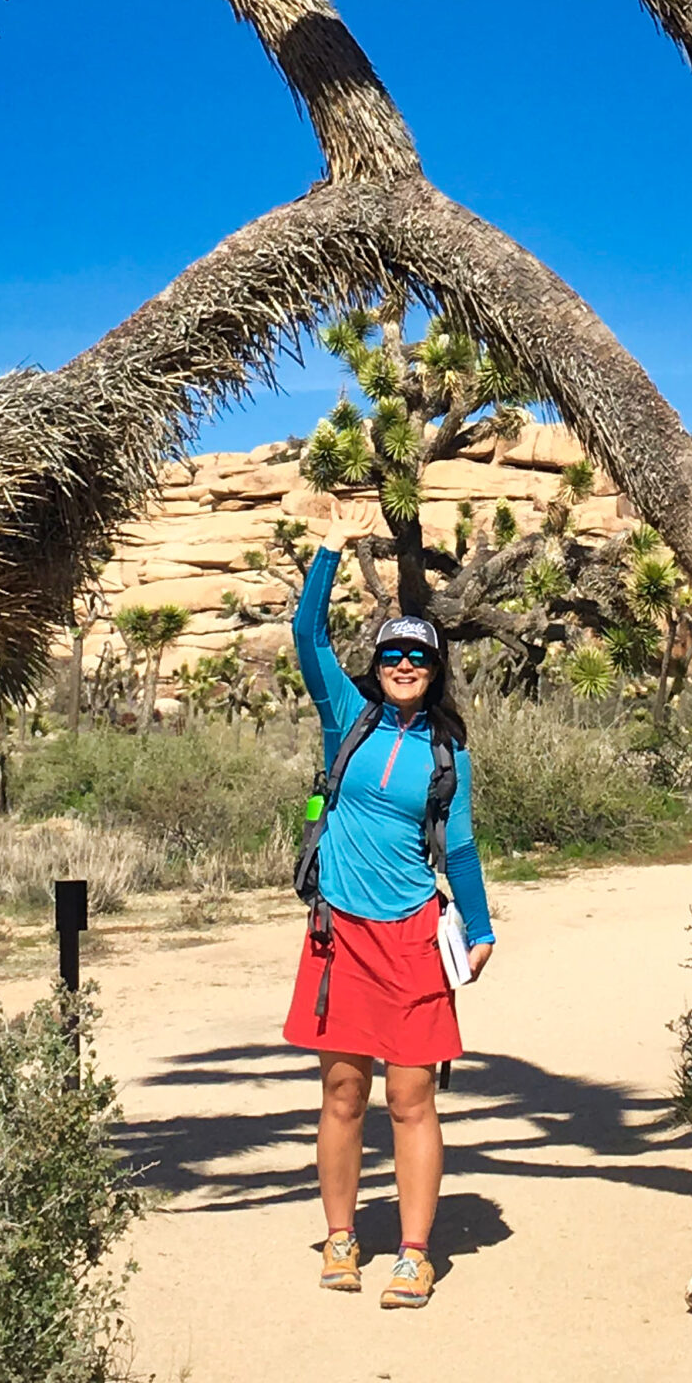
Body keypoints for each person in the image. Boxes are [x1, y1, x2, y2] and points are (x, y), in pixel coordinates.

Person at [283, 499, 494, 1311]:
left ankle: (413, 1253)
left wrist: (478, 929)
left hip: (410, 939)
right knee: (342, 1094)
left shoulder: (449, 756)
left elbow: (462, 849)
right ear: (377, 664)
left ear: (436, 671)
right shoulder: (349, 719)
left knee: (411, 1098)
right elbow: (307, 636)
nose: (405, 662)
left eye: (420, 656)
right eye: (394, 653)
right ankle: (341, 1237)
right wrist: (332, 547)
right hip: (340, 934)